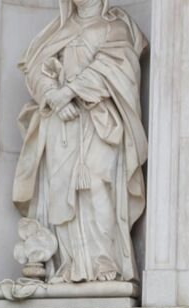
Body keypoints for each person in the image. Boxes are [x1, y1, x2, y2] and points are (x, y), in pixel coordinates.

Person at [12, 0, 148, 283]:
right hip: (61, 124)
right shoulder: (57, 31)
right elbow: (36, 69)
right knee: (60, 191)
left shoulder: (116, 26)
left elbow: (116, 67)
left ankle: (104, 261)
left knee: (98, 184)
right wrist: (53, 96)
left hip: (99, 123)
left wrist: (70, 91)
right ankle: (69, 263)